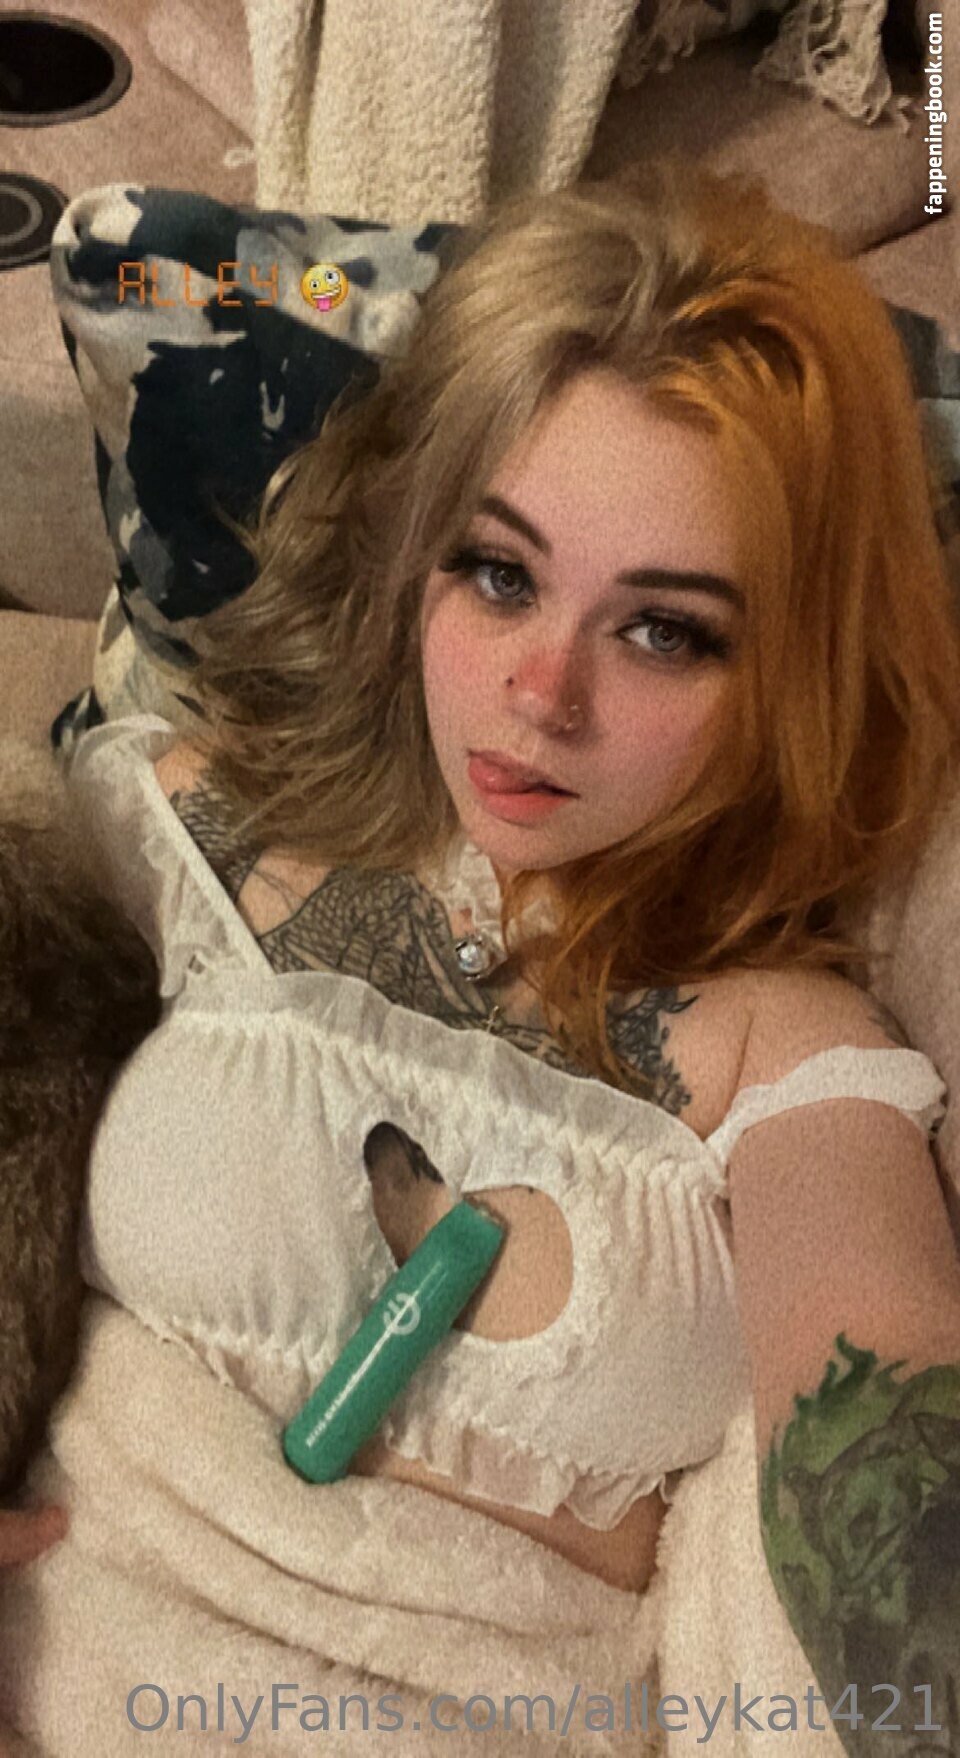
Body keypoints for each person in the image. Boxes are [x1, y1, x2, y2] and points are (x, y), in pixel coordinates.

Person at [4, 154, 960, 1750]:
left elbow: (886, 1427)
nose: (542, 693)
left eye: (663, 629)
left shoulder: (789, 1046)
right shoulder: (175, 823)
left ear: (794, 671)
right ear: (413, 555)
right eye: (501, 573)